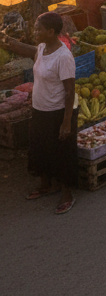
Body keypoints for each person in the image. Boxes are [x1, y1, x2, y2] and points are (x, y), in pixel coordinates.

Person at [0, 12, 77, 215]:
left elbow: (70, 92)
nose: (34, 31)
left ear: (51, 32)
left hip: (59, 111)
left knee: (62, 153)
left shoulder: (64, 57)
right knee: (40, 149)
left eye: (38, 29)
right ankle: (46, 185)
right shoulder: (43, 47)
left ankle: (67, 194)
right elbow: (28, 51)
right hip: (40, 109)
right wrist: (6, 41)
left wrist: (66, 123)